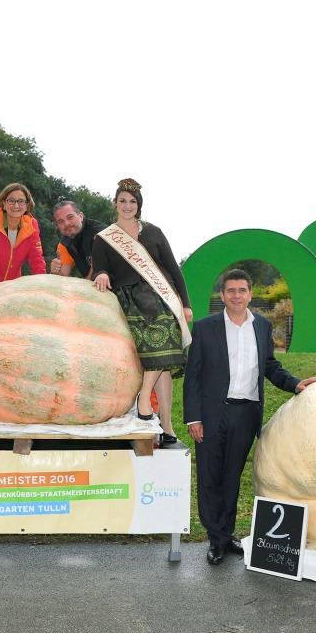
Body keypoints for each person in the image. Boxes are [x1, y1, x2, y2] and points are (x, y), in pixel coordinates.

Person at [183, 269, 316, 565]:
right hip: (210, 413)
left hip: (246, 413)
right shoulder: (206, 328)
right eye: (230, 291)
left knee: (232, 476)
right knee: (210, 476)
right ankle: (215, 539)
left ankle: (226, 533)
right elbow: (192, 375)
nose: (236, 295)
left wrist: (295, 383)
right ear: (222, 296)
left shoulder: (262, 326)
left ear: (250, 294)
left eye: (241, 290)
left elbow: (269, 365)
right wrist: (193, 418)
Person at [92, 178, 192, 446]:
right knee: (161, 357)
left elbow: (173, 268)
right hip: (133, 299)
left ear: (139, 206)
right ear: (115, 203)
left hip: (163, 296)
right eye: (122, 201)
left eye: (132, 202)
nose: (127, 206)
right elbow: (100, 267)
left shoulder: (154, 232)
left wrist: (185, 304)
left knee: (164, 361)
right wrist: (101, 274)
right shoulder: (104, 238)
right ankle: (148, 402)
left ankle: (163, 423)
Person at [0, 182, 46, 282]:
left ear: (26, 205)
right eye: (11, 200)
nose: (16, 205)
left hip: (11, 288)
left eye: (21, 201)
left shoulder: (32, 225)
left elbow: (37, 261)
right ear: (4, 203)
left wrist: (42, 285)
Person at [49, 199, 106, 279]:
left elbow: (98, 269)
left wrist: (86, 285)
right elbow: (62, 278)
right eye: (60, 221)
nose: (67, 224)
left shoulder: (100, 233)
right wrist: (54, 272)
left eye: (70, 217)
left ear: (81, 216)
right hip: (97, 286)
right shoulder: (64, 244)